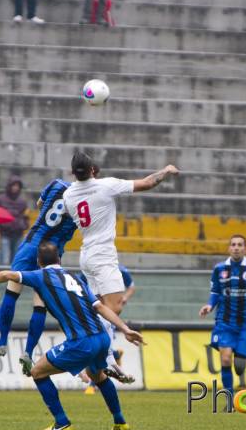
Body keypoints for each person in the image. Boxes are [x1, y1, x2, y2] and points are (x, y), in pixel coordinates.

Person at [0, 241, 143, 430]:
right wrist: (125, 329)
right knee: (98, 375)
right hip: (102, 338)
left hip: (81, 341)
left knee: (37, 372)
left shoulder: (40, 275)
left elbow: (6, 275)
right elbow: (100, 307)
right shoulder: (75, 278)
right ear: (59, 259)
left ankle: (62, 422)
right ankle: (120, 422)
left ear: (38, 261)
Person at [63, 152, 178, 382]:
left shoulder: (68, 194)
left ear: (73, 173)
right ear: (93, 171)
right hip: (103, 256)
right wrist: (165, 171)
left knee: (99, 308)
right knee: (113, 309)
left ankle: (100, 358)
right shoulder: (106, 186)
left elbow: (69, 212)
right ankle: (101, 358)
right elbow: (147, 183)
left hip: (86, 255)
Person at [0, 173, 82, 368]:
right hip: (52, 253)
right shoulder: (84, 199)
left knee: (12, 289)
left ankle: (3, 341)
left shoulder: (56, 184)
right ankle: (28, 353)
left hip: (32, 243)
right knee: (40, 305)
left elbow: (40, 204)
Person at [198, 235, 246, 406]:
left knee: (239, 367)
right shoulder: (219, 269)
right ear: (229, 248)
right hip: (224, 321)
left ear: (245, 249)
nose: (236, 248)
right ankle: (229, 400)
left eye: (240, 245)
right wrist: (209, 306)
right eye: (233, 245)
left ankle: (244, 353)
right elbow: (215, 292)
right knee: (225, 359)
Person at [83, 263, 134, 395]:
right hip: (95, 312)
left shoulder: (119, 270)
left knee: (99, 348)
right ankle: (116, 356)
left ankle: (92, 384)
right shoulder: (88, 271)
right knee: (101, 349)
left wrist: (123, 299)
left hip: (106, 313)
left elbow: (131, 287)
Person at [0, 175, 29, 264]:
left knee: (16, 261)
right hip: (5, 234)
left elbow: (26, 217)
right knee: (4, 261)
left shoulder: (22, 202)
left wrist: (23, 225)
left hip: (18, 234)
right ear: (9, 186)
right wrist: (3, 224)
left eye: (17, 186)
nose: (15, 188)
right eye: (14, 185)